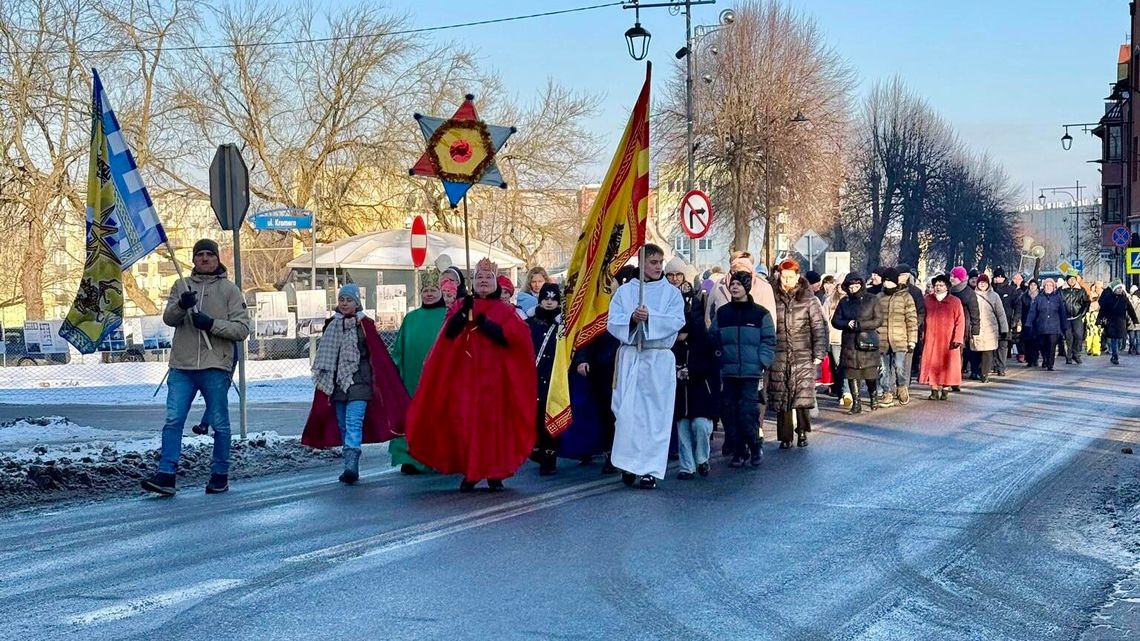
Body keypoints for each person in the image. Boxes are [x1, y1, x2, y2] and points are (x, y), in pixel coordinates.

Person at [405, 258, 537, 492]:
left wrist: (487, 325)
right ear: (473, 283)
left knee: (494, 425)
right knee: (467, 423)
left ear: (495, 283)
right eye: (479, 278)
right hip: (466, 378)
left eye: (488, 278)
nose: (483, 282)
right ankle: (471, 470)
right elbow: (448, 335)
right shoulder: (460, 306)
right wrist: (462, 312)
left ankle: (495, 471)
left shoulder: (506, 310)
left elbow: (514, 340)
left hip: (496, 380)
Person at [141, 239, 251, 496]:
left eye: (209, 255)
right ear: (193, 259)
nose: (204, 259)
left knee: (220, 424)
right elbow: (169, 318)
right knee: (173, 420)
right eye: (199, 255)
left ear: (217, 259)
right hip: (182, 366)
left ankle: (219, 474)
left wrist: (211, 324)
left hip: (215, 365)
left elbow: (242, 330)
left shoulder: (230, 290)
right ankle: (166, 475)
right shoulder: (181, 285)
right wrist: (181, 306)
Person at [302, 283, 411, 484]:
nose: (345, 303)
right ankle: (349, 464)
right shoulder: (332, 325)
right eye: (342, 299)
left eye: (349, 300)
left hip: (360, 382)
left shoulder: (365, 325)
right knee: (343, 424)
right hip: (337, 384)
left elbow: (377, 354)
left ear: (357, 303)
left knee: (353, 422)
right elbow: (327, 355)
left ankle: (352, 466)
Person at [607, 244, 687, 489]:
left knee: (654, 417)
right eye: (652, 262)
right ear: (641, 263)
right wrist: (631, 319)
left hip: (657, 359)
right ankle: (629, 465)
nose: (658, 267)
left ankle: (650, 469)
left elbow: (677, 320)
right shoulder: (625, 292)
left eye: (660, 262)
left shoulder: (671, 293)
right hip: (631, 357)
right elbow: (612, 321)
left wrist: (650, 317)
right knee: (627, 415)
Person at [711, 270, 776, 467]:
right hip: (729, 372)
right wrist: (719, 357)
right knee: (730, 413)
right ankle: (739, 451)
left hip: (751, 372)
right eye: (733, 284)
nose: (735, 287)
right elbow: (713, 336)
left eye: (739, 284)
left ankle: (754, 446)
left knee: (747, 412)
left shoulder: (760, 314)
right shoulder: (723, 313)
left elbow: (769, 340)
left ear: (746, 287)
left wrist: (761, 361)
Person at [389, 268, 448, 475]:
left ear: (441, 291)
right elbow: (399, 350)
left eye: (433, 290)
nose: (429, 294)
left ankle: (440, 456)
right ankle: (410, 457)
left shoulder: (449, 316)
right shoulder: (410, 319)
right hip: (413, 378)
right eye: (425, 290)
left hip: (441, 377)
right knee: (413, 415)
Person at [768, 259, 827, 448]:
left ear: (797, 277)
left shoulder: (809, 299)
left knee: (802, 395)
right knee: (782, 395)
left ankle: (802, 431)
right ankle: (785, 437)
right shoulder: (772, 297)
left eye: (790, 277)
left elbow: (818, 327)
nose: (786, 281)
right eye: (784, 277)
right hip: (780, 352)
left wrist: (819, 352)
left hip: (803, 352)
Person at [671, 274, 720, 479]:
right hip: (680, 392)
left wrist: (692, 370)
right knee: (683, 429)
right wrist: (676, 371)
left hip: (700, 390)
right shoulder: (671, 344)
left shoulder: (703, 341)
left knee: (700, 426)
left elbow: (712, 365)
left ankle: (702, 459)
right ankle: (687, 467)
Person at [832, 272, 883, 414]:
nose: (853, 288)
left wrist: (860, 325)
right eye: (851, 286)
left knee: (870, 374)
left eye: (856, 285)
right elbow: (835, 321)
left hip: (867, 342)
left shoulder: (872, 300)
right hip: (849, 343)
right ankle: (857, 402)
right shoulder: (844, 302)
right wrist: (847, 323)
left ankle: (873, 397)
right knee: (851, 373)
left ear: (861, 285)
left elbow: (878, 320)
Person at [528, 283, 563, 475]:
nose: (549, 302)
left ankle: (550, 454)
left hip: (555, 376)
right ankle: (538, 449)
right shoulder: (531, 322)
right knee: (537, 415)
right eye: (546, 298)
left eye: (553, 299)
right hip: (534, 374)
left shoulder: (563, 324)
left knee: (553, 413)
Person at [919, 274, 965, 401]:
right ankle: (934, 389)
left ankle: (945, 388)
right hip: (932, 338)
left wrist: (958, 338)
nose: (938, 288)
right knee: (933, 364)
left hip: (948, 339)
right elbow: (922, 316)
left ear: (947, 287)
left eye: (941, 285)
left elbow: (960, 321)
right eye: (936, 285)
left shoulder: (955, 302)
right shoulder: (928, 299)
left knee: (948, 365)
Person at [877, 268, 918, 407]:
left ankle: (901, 386)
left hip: (900, 338)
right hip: (882, 338)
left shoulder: (906, 297)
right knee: (883, 369)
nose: (886, 284)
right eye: (885, 281)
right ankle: (886, 392)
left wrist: (912, 340)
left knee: (899, 366)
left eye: (889, 281)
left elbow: (911, 319)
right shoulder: (879, 297)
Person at [970, 274, 1009, 383]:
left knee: (987, 353)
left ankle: (984, 374)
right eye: (980, 282)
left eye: (985, 282)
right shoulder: (972, 295)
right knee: (976, 351)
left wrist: (1004, 329)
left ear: (988, 284)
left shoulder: (994, 296)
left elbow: (1000, 313)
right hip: (976, 327)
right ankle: (975, 371)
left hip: (990, 329)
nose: (982, 284)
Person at [1025, 278, 1069, 371]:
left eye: (1050, 285)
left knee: (1052, 345)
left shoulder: (1057, 298)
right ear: (1043, 287)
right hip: (1041, 326)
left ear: (1054, 287)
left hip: (1054, 326)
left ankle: (1050, 364)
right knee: (1042, 345)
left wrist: (1064, 326)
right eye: (1046, 285)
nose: (1048, 287)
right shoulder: (1039, 298)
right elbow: (1033, 312)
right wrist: (1028, 323)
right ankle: (1045, 358)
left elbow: (1062, 312)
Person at [820, 274, 849, 406]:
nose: (841, 288)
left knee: (846, 365)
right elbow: (824, 319)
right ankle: (841, 391)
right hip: (834, 338)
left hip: (848, 338)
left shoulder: (851, 300)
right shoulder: (830, 300)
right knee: (837, 366)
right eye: (839, 285)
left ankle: (847, 391)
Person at [949, 266, 979, 386]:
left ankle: (956, 378)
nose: (952, 278)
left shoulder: (969, 293)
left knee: (958, 352)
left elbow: (975, 312)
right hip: (948, 324)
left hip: (963, 325)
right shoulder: (949, 290)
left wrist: (975, 329)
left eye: (954, 277)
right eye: (951, 276)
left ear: (960, 278)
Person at [896, 264, 926, 384]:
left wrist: (915, 325)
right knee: (895, 361)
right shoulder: (891, 291)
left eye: (902, 275)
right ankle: (893, 386)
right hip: (895, 329)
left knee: (907, 360)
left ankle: (904, 385)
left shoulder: (915, 291)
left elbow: (921, 311)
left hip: (910, 330)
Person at [1097, 280, 1138, 365]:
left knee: (1119, 339)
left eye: (1120, 288)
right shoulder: (1109, 298)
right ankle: (1115, 355)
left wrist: (1135, 320)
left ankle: (1115, 352)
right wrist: (1099, 320)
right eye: (1118, 288)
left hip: (1121, 322)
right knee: (1113, 339)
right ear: (1114, 289)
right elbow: (1103, 310)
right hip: (1111, 322)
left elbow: (1130, 310)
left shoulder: (1124, 298)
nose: (1120, 290)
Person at [990, 267, 1021, 376]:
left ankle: (1001, 367)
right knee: (992, 345)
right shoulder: (990, 289)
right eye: (996, 277)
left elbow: (1017, 306)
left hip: (1006, 321)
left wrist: (1016, 320)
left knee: (1003, 345)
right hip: (991, 321)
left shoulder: (1011, 290)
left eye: (1000, 277)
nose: (998, 279)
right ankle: (992, 365)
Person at [1062, 274, 1090, 364]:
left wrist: (1082, 314)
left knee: (1078, 336)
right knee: (1068, 338)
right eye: (1070, 279)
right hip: (1066, 318)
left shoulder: (1081, 290)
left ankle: (1076, 354)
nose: (1072, 281)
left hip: (1077, 317)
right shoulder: (1061, 290)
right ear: (1067, 280)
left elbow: (1086, 302)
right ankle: (1069, 356)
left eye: (1074, 279)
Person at [1020, 280, 1041, 367]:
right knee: (1027, 342)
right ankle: (1029, 360)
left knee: (1036, 342)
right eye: (1031, 285)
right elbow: (1020, 309)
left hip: (1037, 322)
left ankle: (1035, 359)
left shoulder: (1040, 296)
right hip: (1026, 321)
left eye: (1034, 285)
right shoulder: (1024, 296)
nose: (1032, 287)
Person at [1129, 285, 1140, 355]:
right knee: (1132, 338)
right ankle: (1132, 347)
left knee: (1138, 338)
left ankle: (1137, 350)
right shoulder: (1129, 303)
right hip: (1131, 323)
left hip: (1138, 323)